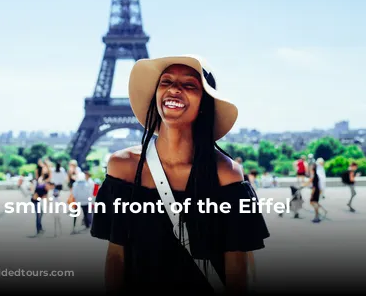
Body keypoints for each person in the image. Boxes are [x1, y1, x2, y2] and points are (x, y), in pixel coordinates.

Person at [90, 55, 270, 294]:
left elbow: (238, 266)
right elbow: (116, 257)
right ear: (156, 95)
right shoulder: (122, 168)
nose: (174, 89)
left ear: (205, 103)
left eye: (189, 85)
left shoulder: (227, 175)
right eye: (165, 82)